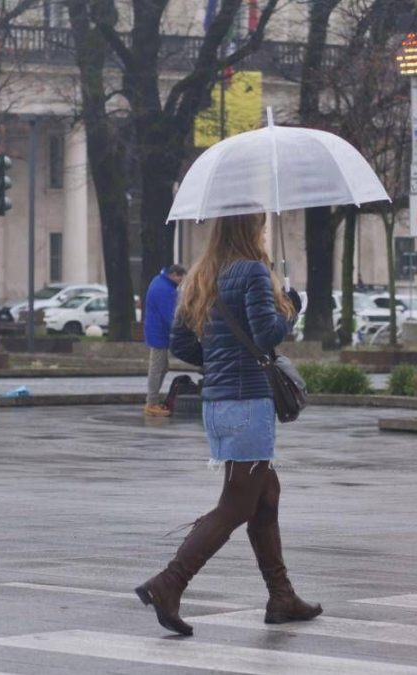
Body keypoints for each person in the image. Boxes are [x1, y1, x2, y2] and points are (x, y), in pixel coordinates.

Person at [135, 212, 321, 637]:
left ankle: (282, 596)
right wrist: (291, 305)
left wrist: (217, 363)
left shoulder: (199, 274)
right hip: (247, 404)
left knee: (266, 494)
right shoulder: (254, 272)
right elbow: (266, 333)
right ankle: (170, 583)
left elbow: (179, 342)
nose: (263, 232)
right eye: (260, 226)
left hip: (217, 402)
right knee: (237, 504)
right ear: (249, 230)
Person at [143, 264, 187, 417]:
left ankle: (152, 401)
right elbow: (169, 315)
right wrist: (182, 329)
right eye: (180, 277)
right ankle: (151, 403)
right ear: (174, 274)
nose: (181, 281)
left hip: (157, 331)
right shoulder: (164, 289)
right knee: (156, 368)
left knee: (162, 367)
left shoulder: (160, 282)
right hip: (159, 333)